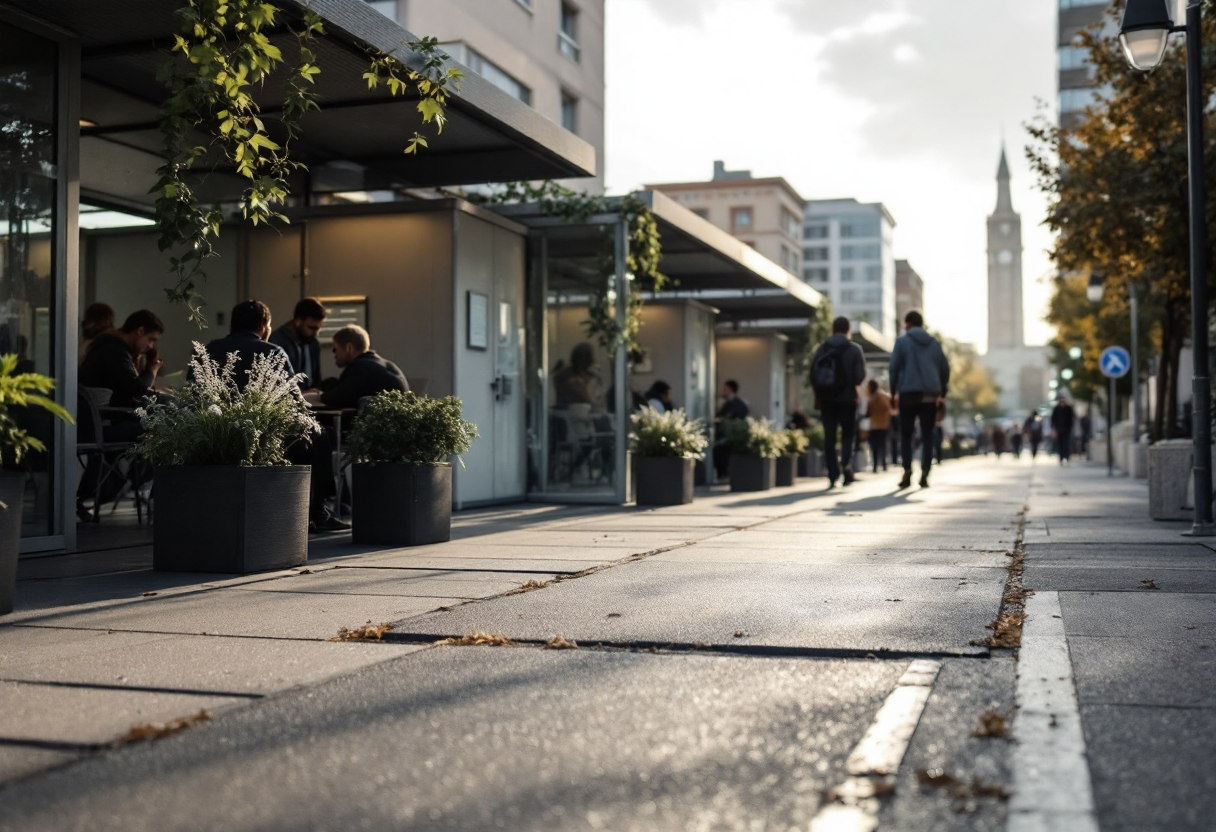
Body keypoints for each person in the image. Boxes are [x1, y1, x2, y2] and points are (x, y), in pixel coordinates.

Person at [209, 301, 346, 533]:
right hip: (264, 436)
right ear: (263, 325)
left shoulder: (210, 349)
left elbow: (196, 393)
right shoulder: (271, 351)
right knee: (320, 437)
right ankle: (316, 511)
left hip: (217, 435)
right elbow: (294, 401)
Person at [889, 309, 950, 489]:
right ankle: (925, 473)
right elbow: (945, 369)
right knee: (927, 434)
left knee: (906, 434)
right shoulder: (934, 343)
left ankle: (907, 471)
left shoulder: (901, 342)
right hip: (930, 396)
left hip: (908, 394)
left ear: (908, 324)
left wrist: (893, 392)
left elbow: (893, 368)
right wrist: (942, 393)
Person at [810, 316, 867, 488]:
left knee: (830, 436)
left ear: (833, 329)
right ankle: (846, 465)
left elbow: (813, 373)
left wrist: (819, 393)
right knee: (848, 435)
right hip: (848, 398)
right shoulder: (855, 349)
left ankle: (832, 474)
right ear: (848, 329)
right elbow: (860, 376)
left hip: (827, 399)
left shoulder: (822, 348)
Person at [306, 325, 408, 410]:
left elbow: (337, 398)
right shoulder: (387, 366)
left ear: (348, 348)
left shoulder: (360, 367)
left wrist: (318, 395)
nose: (334, 354)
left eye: (335, 349)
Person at [79, 309, 164, 409]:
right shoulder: (113, 349)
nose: (151, 346)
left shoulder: (116, 346)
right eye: (151, 339)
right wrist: (152, 370)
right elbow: (136, 389)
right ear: (140, 331)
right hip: (107, 417)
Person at [204, 300, 294, 387]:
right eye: (268, 325)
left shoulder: (209, 350)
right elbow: (293, 396)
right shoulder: (273, 353)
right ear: (263, 326)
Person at [269, 297, 327, 390]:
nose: (315, 333)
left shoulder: (313, 344)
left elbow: (316, 378)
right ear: (298, 321)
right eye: (311, 328)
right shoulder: (277, 342)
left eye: (318, 329)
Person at [713, 380, 750, 481]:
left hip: (732, 438)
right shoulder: (727, 404)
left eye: (725, 389)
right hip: (725, 437)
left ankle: (724, 475)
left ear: (730, 390)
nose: (722, 391)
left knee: (721, 451)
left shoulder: (738, 405)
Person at [552, 343, 598, 408]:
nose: (591, 361)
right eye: (588, 357)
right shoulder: (565, 376)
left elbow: (594, 399)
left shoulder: (591, 377)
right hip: (567, 412)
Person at [865, 380, 892, 473]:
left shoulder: (875, 397)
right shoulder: (883, 396)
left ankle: (877, 464)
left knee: (876, 446)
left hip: (877, 425)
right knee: (881, 445)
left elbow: (868, 412)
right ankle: (881, 464)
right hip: (881, 424)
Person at [1051, 395, 1076, 465]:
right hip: (1059, 429)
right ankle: (1061, 457)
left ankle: (1067, 457)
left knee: (1067, 444)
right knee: (1060, 444)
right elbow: (1053, 419)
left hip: (1067, 429)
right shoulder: (1056, 409)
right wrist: (1053, 428)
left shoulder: (1068, 409)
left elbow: (1072, 418)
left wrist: (1070, 426)